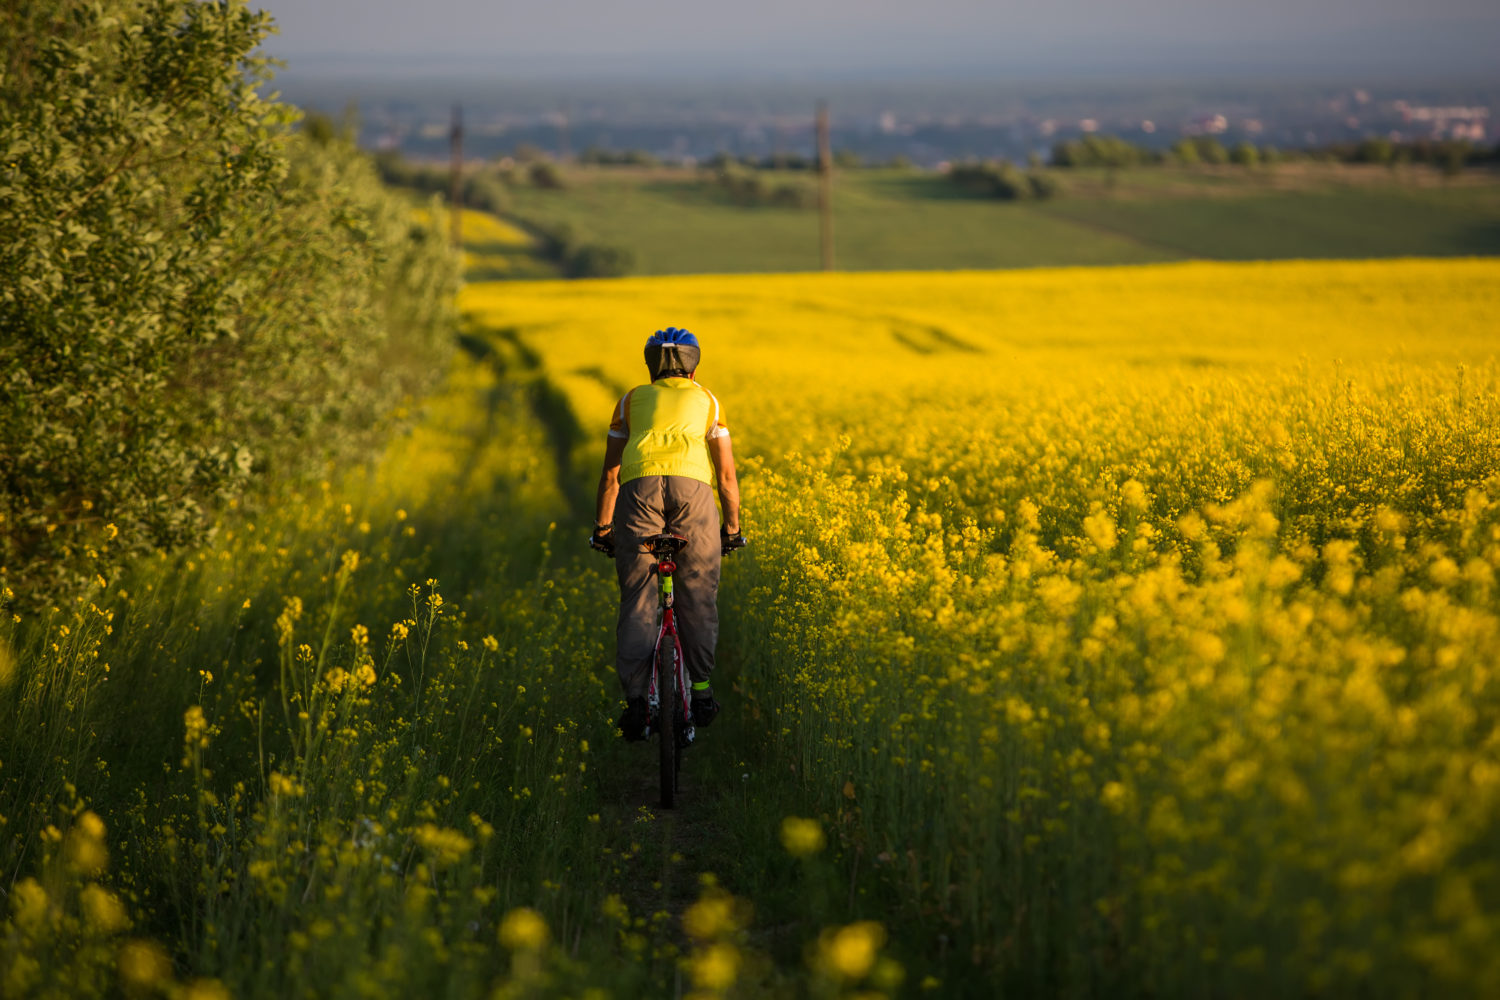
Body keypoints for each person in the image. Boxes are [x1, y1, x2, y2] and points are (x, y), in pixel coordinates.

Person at [589, 328, 745, 741]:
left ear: (650, 366)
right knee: (696, 590)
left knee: (639, 594)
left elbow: (611, 473)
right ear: (694, 366)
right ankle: (702, 691)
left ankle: (637, 703)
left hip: (638, 493)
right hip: (693, 494)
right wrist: (732, 528)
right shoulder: (708, 401)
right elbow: (726, 476)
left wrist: (603, 527)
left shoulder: (630, 400)